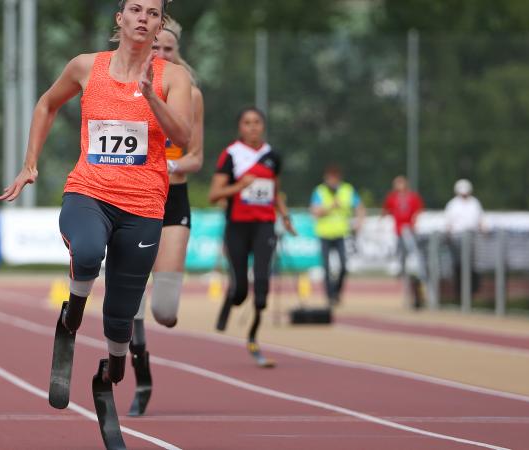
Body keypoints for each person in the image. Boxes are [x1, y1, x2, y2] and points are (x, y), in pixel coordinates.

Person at [0, 0, 191, 399]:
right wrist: (29, 164)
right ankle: (71, 317)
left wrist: (153, 99)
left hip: (143, 205)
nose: (143, 18)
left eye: (153, 13)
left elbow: (185, 137)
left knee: (120, 320)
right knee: (86, 253)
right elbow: (47, 104)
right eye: (135, 9)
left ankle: (113, 369)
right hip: (90, 190)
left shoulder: (173, 78)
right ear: (120, 18)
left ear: (160, 26)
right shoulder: (87, 66)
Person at [127, 14, 204, 416]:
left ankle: (154, 292)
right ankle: (142, 378)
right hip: (134, 198)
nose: (160, 54)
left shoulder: (189, 93)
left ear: (178, 54)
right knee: (132, 307)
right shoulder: (124, 87)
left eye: (168, 49)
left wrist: (172, 167)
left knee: (166, 311)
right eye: (155, 47)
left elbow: (196, 155)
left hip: (172, 200)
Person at [209, 107, 296, 367]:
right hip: (237, 226)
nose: (253, 127)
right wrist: (240, 186)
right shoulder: (231, 155)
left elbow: (275, 191)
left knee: (261, 288)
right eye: (247, 123)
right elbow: (215, 194)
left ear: (263, 126)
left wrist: (285, 216)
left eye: (257, 122)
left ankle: (253, 338)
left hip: (265, 226)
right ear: (240, 127)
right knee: (240, 292)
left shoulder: (273, 156)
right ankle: (231, 298)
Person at [309, 165, 365, 307]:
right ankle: (330, 296)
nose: (333, 181)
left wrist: (359, 222)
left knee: (344, 266)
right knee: (326, 267)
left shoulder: (347, 190)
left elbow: (359, 207)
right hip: (324, 234)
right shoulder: (319, 191)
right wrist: (330, 207)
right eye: (330, 179)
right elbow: (315, 212)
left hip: (341, 234)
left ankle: (337, 292)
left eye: (335, 178)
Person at [444, 179, 484, 300]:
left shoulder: (474, 203)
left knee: (472, 266)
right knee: (458, 266)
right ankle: (459, 292)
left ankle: (473, 291)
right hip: (457, 239)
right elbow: (449, 223)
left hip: (472, 238)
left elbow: (480, 220)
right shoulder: (453, 204)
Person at [382, 175, 424, 275]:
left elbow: (418, 210)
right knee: (400, 251)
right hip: (397, 229)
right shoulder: (392, 197)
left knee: (412, 250)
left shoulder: (412, 197)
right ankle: (402, 270)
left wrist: (415, 223)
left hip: (409, 228)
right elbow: (386, 210)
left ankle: (417, 270)